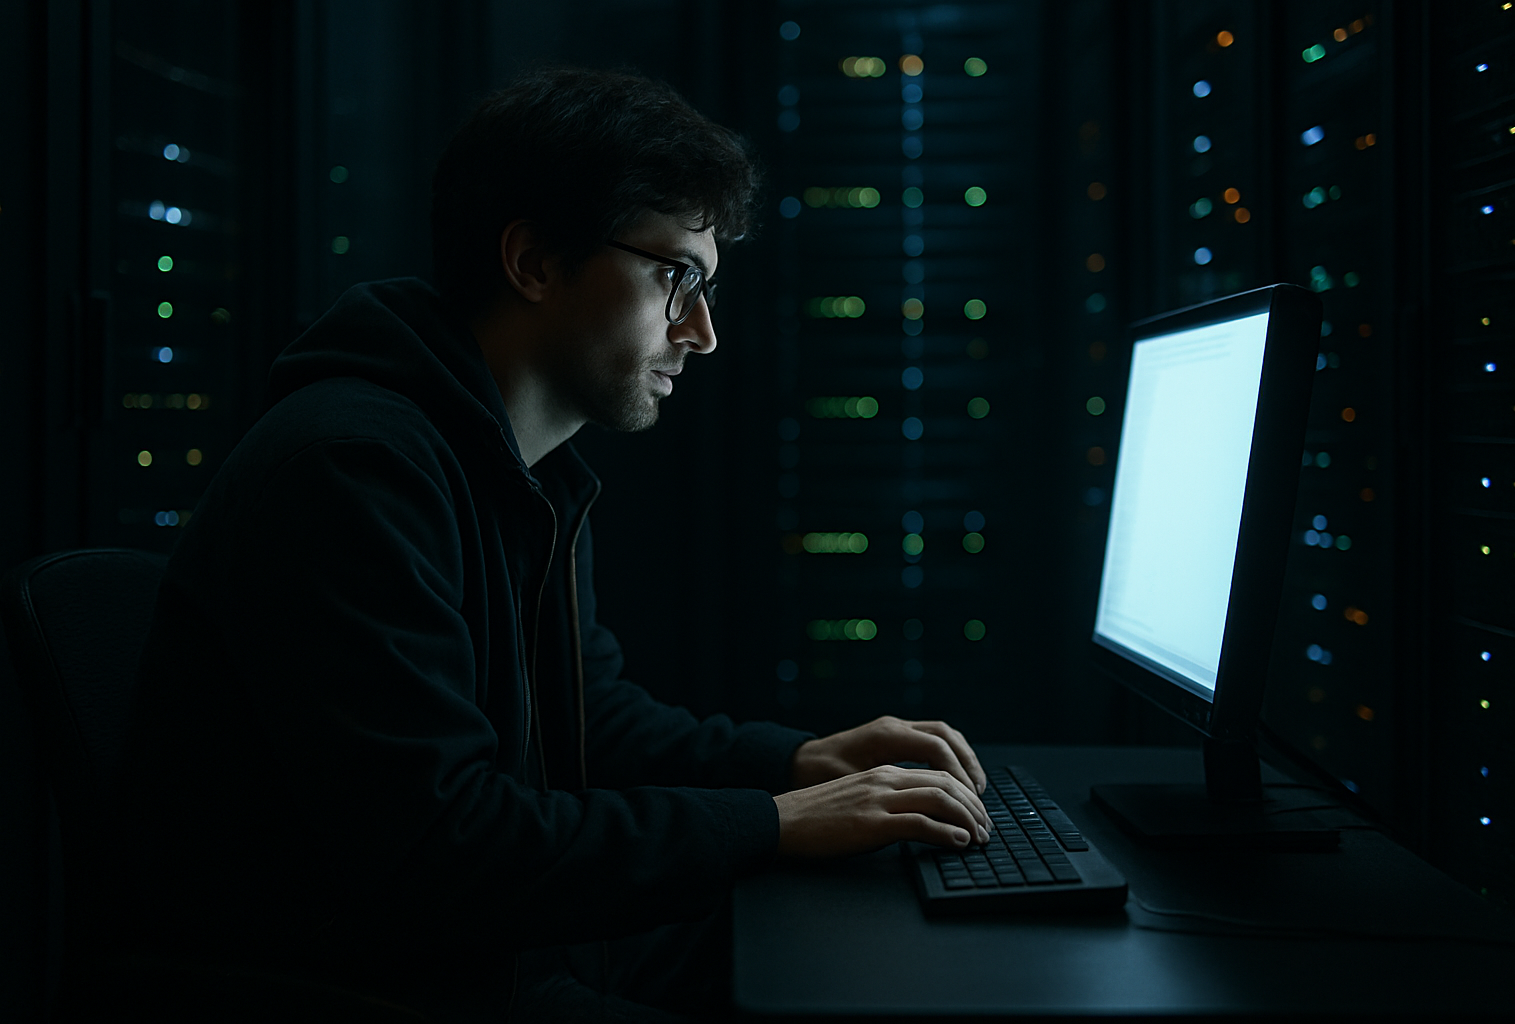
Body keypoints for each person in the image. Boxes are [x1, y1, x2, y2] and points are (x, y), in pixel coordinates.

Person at [109, 65, 993, 1023]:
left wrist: (800, 763)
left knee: (873, 959)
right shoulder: (351, 471)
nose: (700, 332)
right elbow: (443, 847)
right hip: (389, 985)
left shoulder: (524, 471)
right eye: (674, 277)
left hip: (497, 950)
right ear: (532, 262)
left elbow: (591, 725)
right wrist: (773, 824)